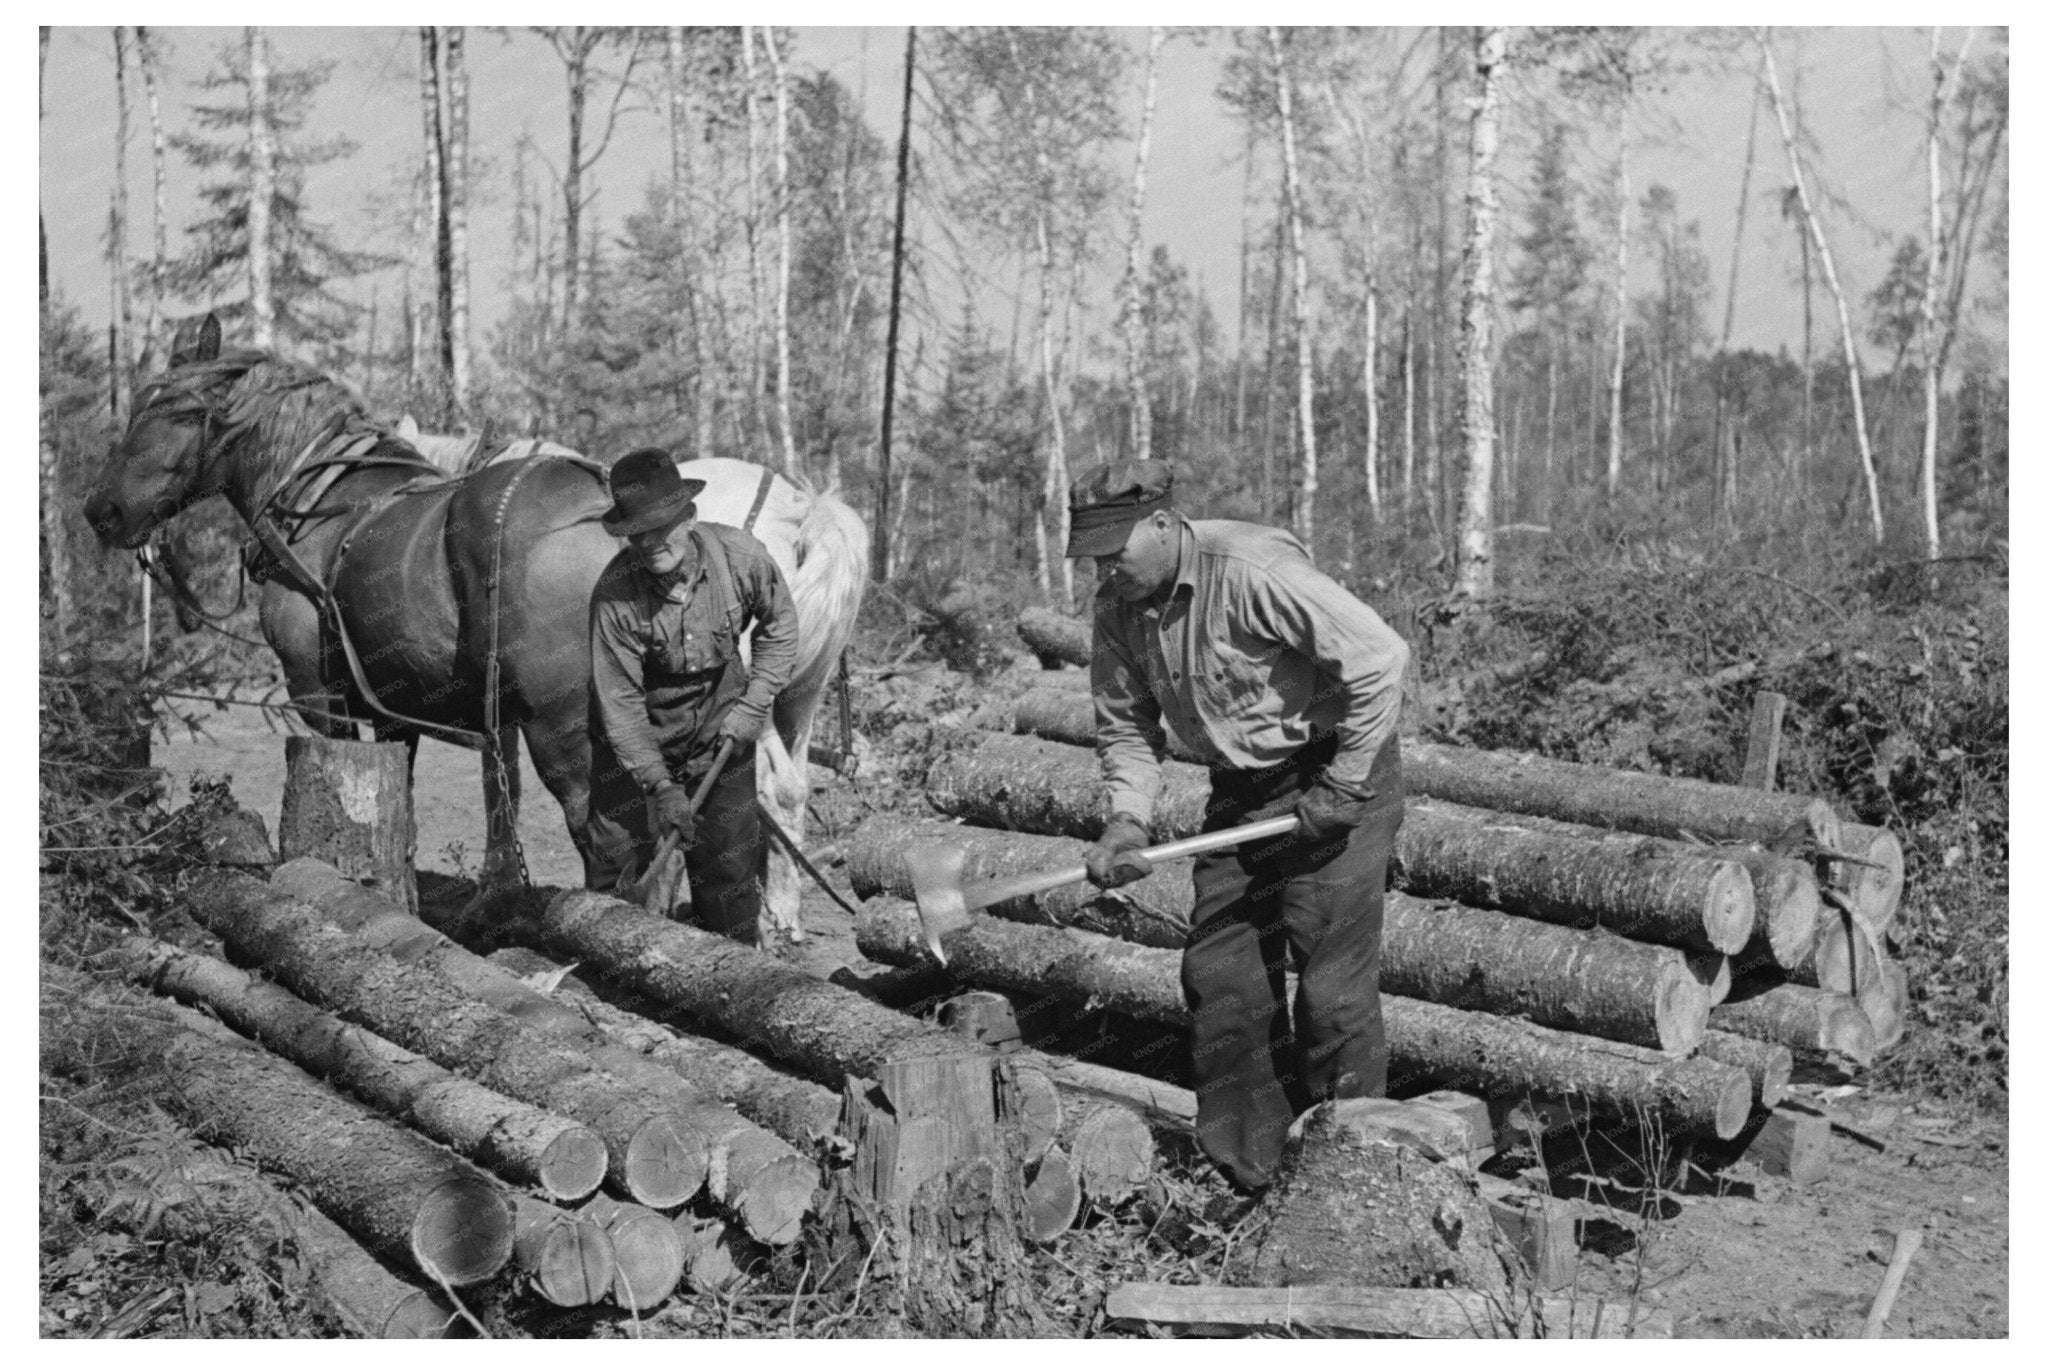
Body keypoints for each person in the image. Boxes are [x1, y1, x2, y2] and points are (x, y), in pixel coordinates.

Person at [1066, 459, 1409, 1195]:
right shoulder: (1118, 610)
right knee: (1220, 976)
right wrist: (1127, 820)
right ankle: (1251, 1177)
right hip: (1242, 790)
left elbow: (1382, 656)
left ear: (1161, 522)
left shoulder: (1250, 567)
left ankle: (1350, 1183)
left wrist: (1345, 782)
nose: (1105, 567)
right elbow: (1126, 727)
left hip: (1334, 769)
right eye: (1092, 554)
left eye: (1113, 548)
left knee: (1331, 993)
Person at [585, 447, 797, 945]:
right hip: (636, 736)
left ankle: (729, 978)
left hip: (722, 726)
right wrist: (660, 787)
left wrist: (754, 704)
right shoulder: (614, 597)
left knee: (727, 865)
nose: (653, 542)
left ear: (689, 515)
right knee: (617, 862)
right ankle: (613, 979)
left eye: (663, 526)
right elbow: (620, 705)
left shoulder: (742, 559)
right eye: (639, 532)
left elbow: (781, 626)